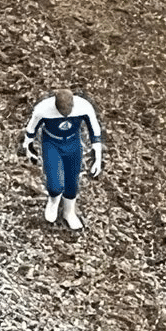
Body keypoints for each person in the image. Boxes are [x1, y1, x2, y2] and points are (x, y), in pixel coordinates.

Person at [23, 88, 102, 230]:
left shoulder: (84, 106)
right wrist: (29, 148)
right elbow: (31, 130)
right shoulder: (42, 109)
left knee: (72, 181)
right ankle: (53, 201)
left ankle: (69, 212)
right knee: (55, 185)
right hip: (52, 143)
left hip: (73, 142)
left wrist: (97, 157)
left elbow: (94, 129)